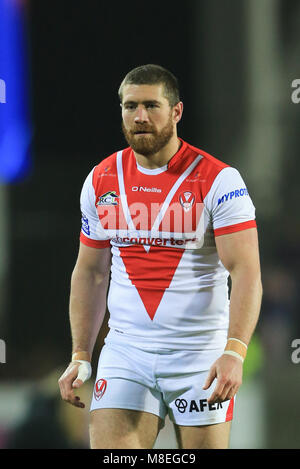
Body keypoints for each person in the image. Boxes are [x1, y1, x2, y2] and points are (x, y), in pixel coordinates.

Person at [58, 64, 263, 449]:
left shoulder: (219, 180)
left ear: (176, 112)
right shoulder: (101, 179)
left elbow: (246, 271)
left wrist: (235, 351)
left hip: (199, 355)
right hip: (126, 353)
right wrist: (80, 353)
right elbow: (91, 273)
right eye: (130, 106)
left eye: (151, 105)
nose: (140, 117)